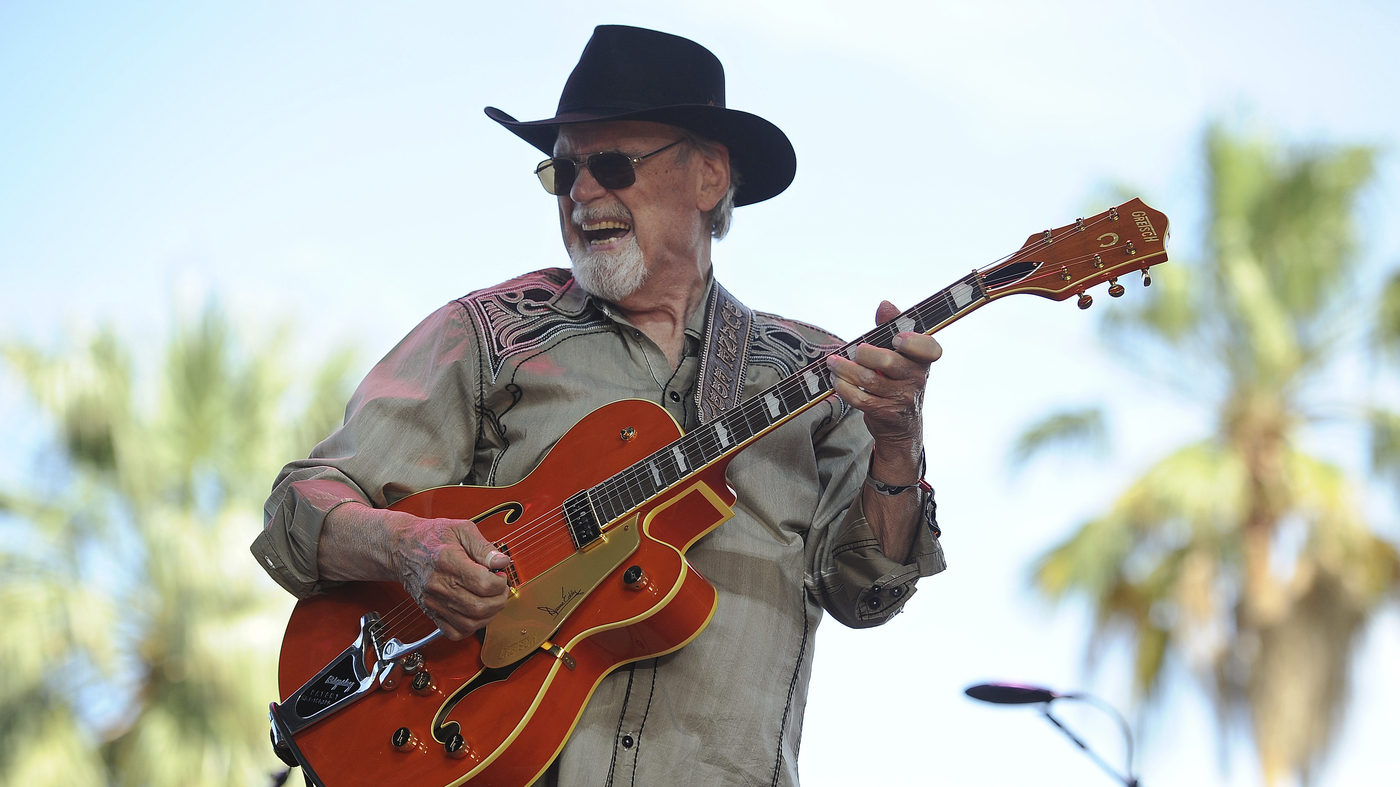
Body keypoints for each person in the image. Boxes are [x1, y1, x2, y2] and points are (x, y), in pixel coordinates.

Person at [254, 24, 946, 787]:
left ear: (710, 176)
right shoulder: (490, 334)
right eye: (565, 170)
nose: (583, 192)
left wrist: (896, 444)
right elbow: (301, 504)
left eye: (613, 164)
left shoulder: (821, 377)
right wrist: (406, 550)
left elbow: (867, 592)